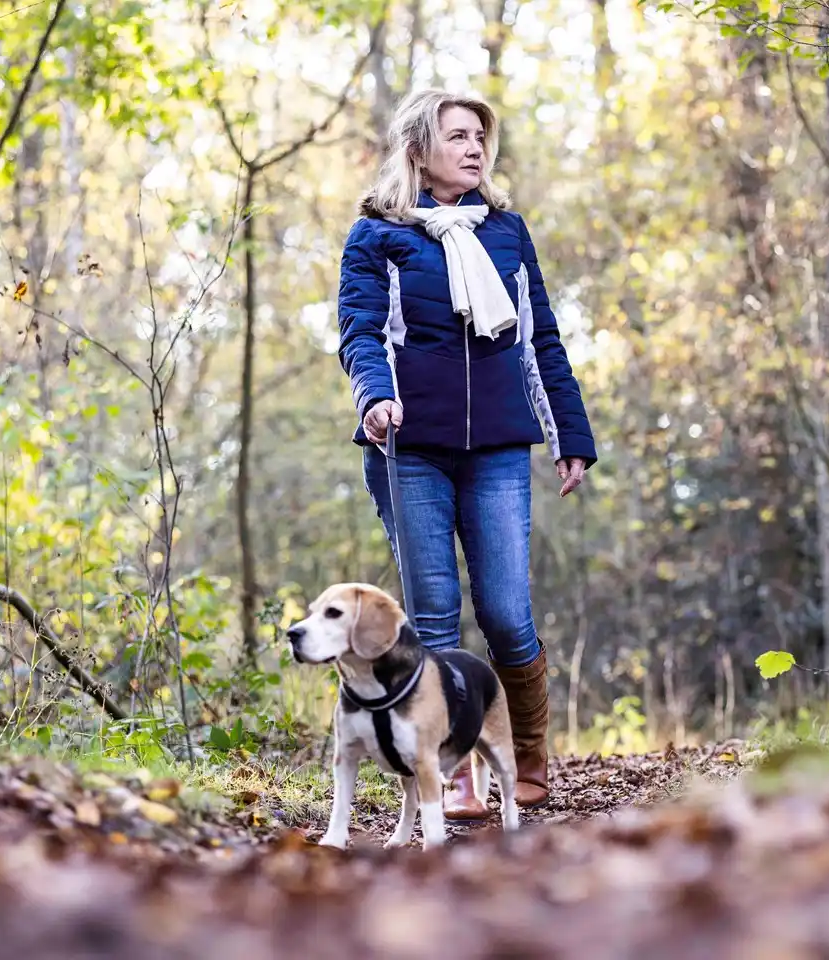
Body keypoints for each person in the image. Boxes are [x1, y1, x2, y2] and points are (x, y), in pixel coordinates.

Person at [335, 88, 597, 819]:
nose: (475, 147)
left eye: (480, 136)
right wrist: (374, 396)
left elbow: (539, 339)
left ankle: (527, 752)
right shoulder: (377, 237)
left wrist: (568, 436)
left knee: (508, 616)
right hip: (409, 447)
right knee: (437, 619)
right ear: (418, 150)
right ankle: (448, 772)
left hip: (498, 453)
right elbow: (359, 333)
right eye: (457, 136)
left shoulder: (505, 233)